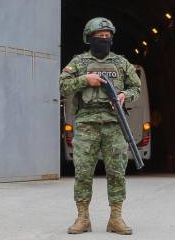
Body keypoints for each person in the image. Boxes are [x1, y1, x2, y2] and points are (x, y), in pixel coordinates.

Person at [59, 17, 142, 235]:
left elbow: (136, 87)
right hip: (86, 123)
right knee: (83, 172)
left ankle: (116, 218)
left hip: (115, 124)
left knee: (117, 172)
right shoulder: (78, 63)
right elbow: (63, 85)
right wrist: (86, 79)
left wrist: (125, 95)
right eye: (99, 37)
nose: (104, 40)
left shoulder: (121, 63)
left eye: (107, 37)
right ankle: (82, 218)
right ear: (89, 38)